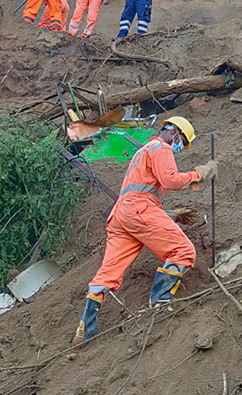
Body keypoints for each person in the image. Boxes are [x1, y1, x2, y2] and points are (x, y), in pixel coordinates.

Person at [73, 116, 217, 342]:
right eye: (182, 141)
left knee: (107, 274)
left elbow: (138, 193)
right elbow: (169, 181)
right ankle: (159, 304)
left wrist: (170, 215)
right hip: (139, 209)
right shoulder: (162, 148)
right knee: (183, 251)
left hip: (122, 215)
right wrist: (198, 174)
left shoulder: (143, 150)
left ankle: (86, 328)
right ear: (174, 132)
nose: (180, 147)